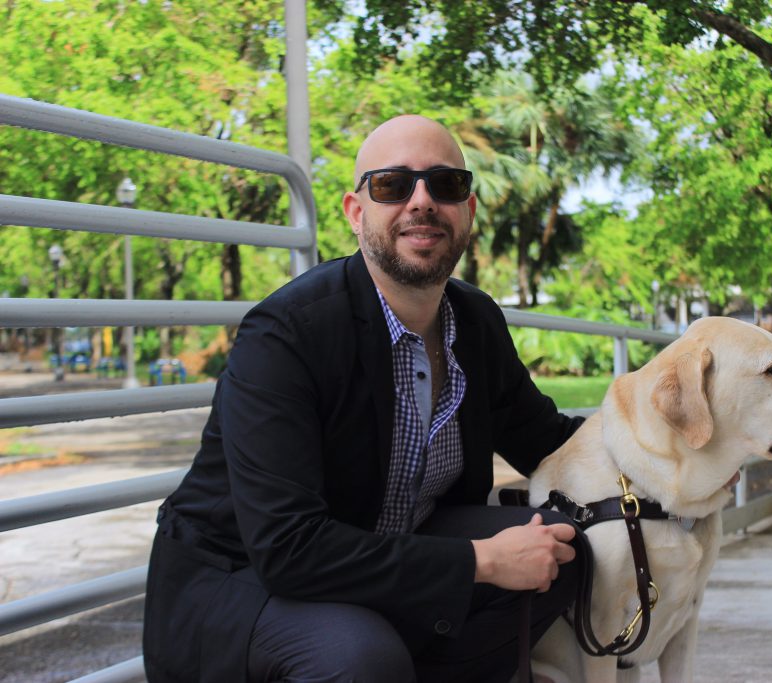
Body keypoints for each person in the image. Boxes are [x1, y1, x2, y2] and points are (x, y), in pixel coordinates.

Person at [142, 115, 585, 683]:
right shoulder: (286, 335)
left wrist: (682, 451)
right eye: (392, 185)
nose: (421, 202)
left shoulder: (474, 323)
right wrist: (482, 561)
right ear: (356, 212)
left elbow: (549, 445)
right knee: (360, 658)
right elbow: (288, 548)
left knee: (560, 548)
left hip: (382, 549)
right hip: (239, 578)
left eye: (445, 184)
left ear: (468, 210)